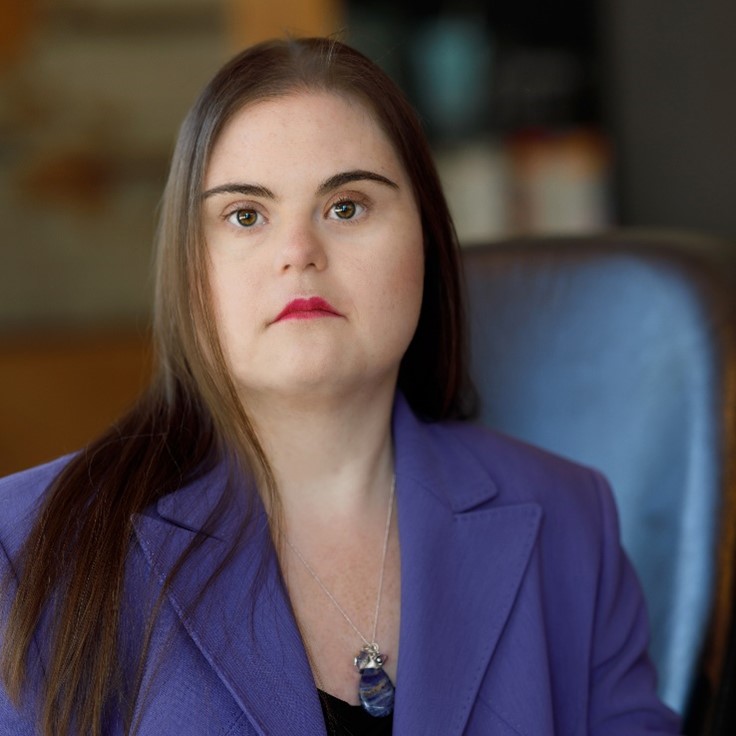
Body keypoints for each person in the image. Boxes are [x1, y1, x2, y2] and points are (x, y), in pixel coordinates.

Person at [0, 37, 681, 736]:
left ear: (427, 241)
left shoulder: (571, 520)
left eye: (348, 206)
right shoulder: (25, 546)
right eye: (246, 215)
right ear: (189, 268)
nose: (299, 253)